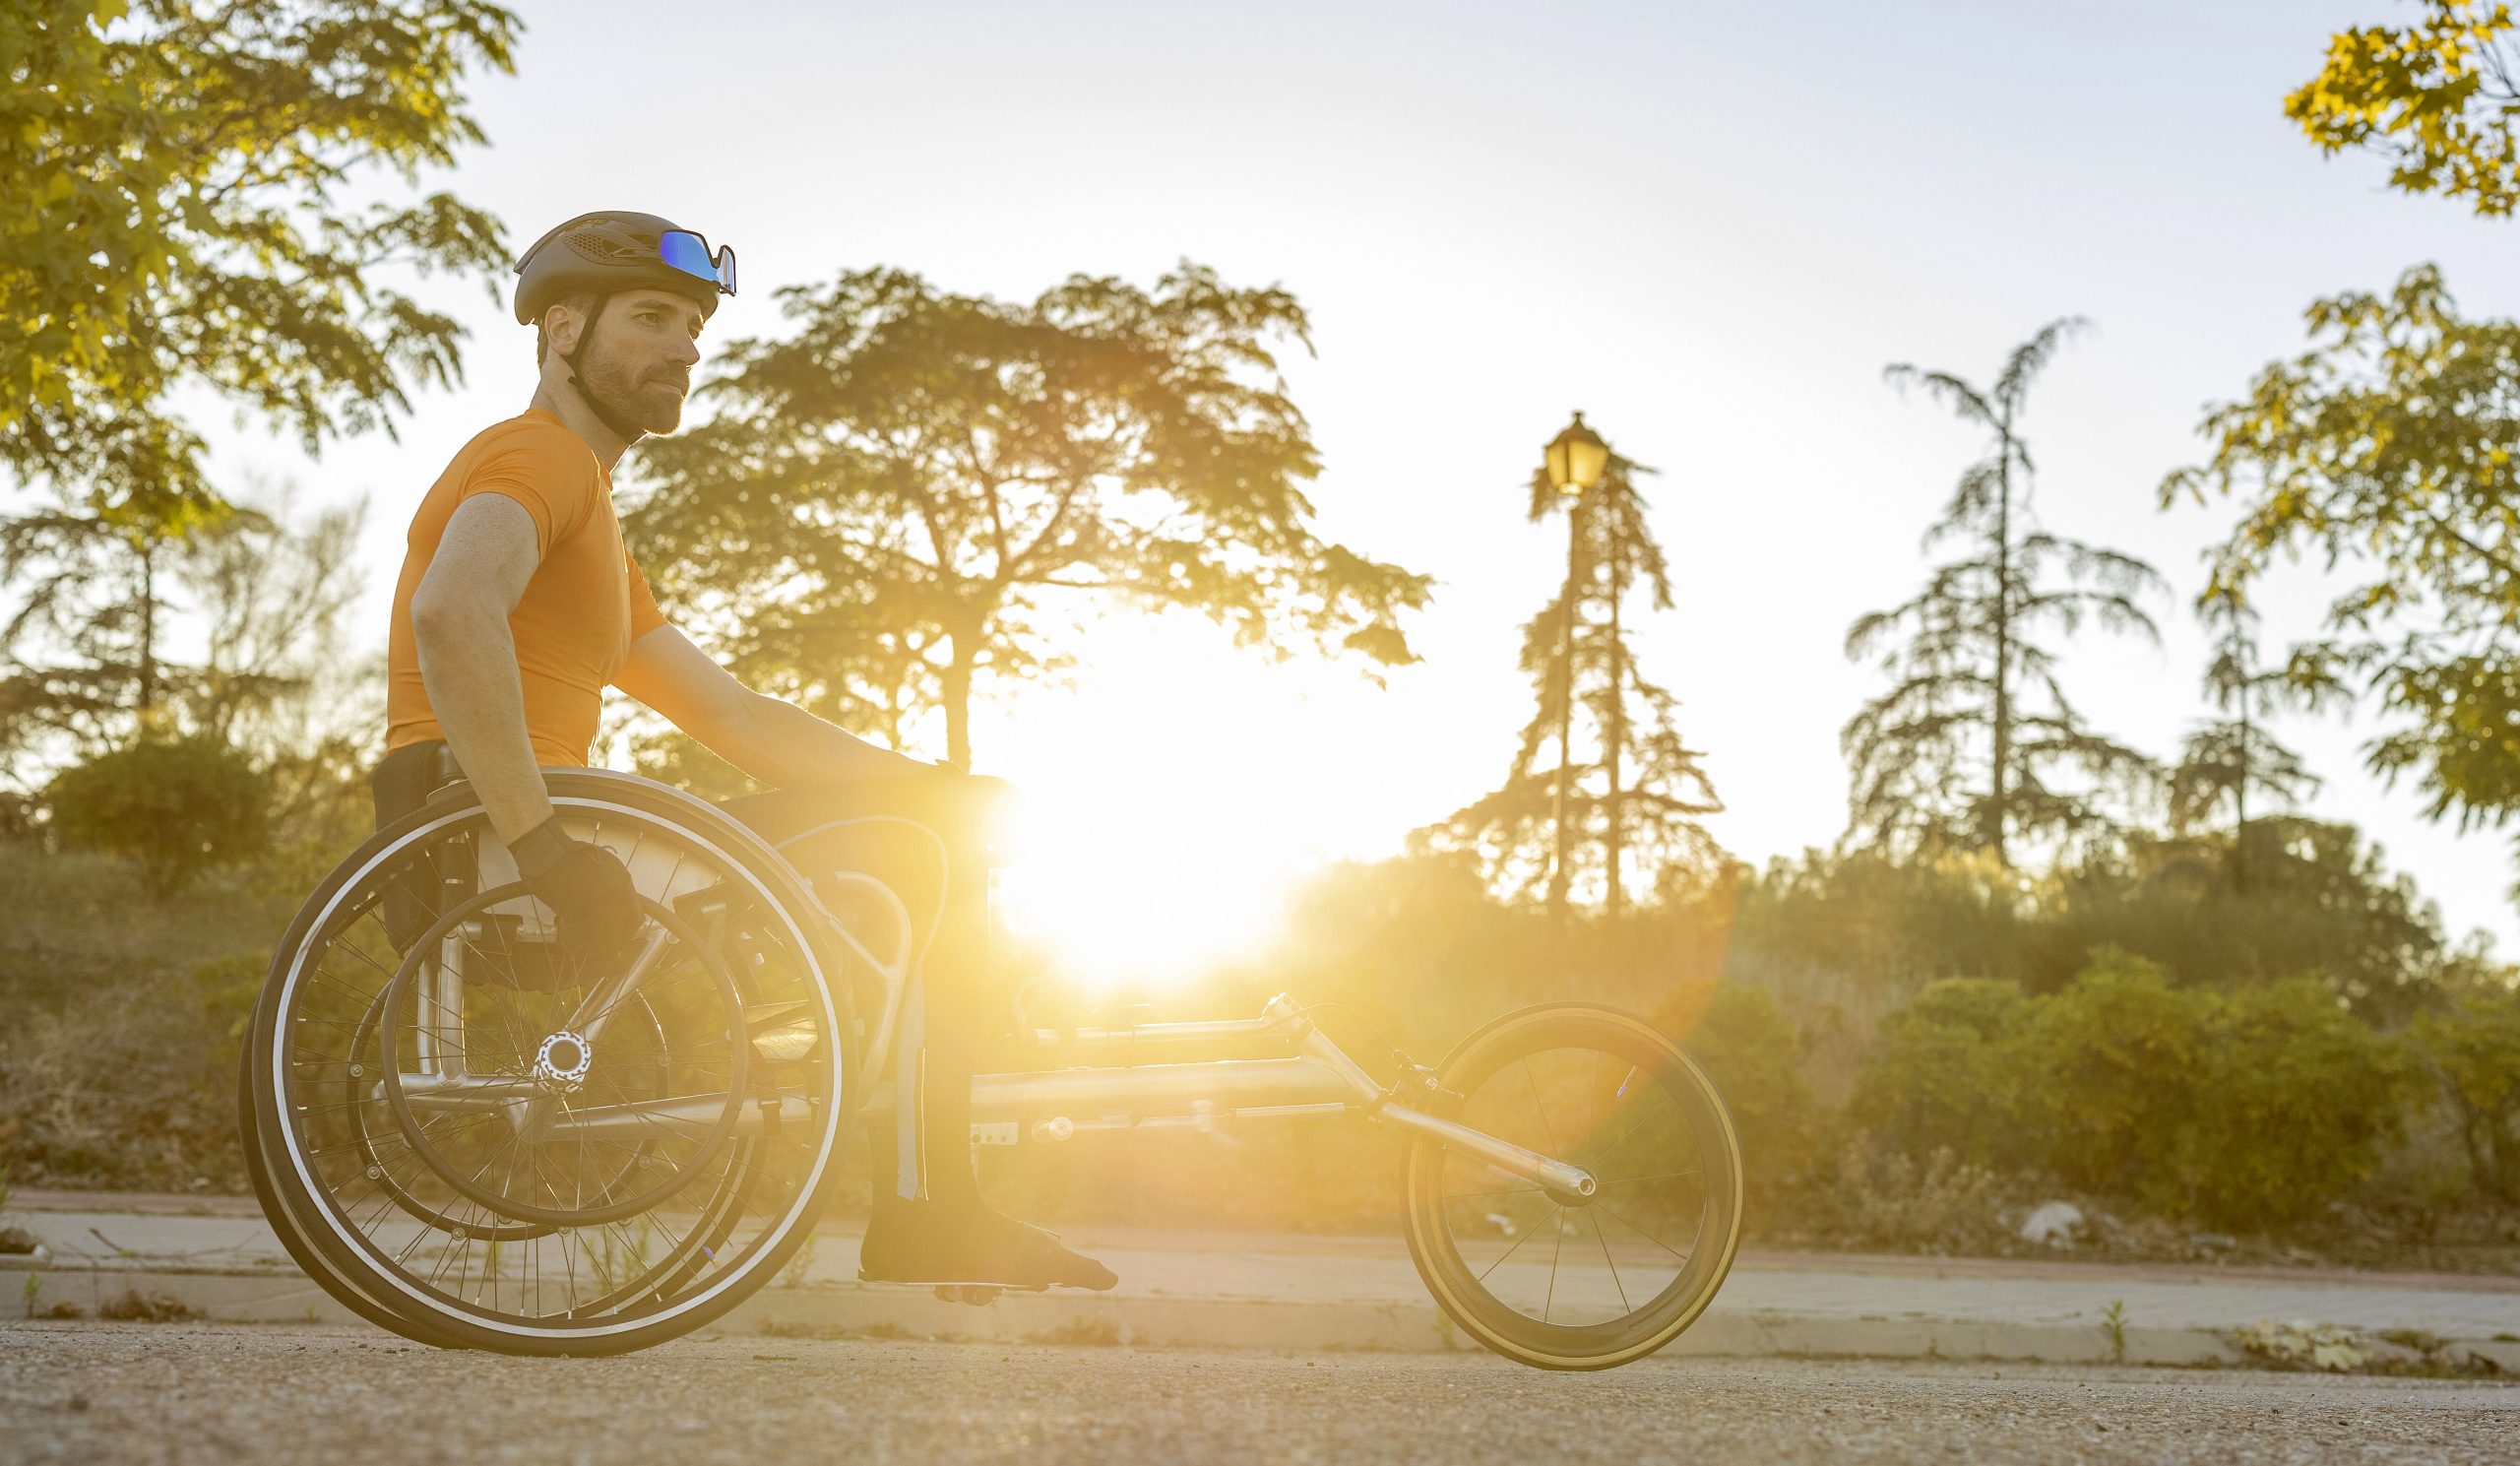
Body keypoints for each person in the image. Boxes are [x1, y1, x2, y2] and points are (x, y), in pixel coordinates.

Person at [371, 210, 1113, 1293]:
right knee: (921, 860)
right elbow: (451, 611)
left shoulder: (594, 528)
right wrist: (540, 842)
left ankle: (908, 1132)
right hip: (515, 841)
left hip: (499, 844)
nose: (685, 347)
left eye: (695, 327)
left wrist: (937, 783)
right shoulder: (538, 456)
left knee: (921, 826)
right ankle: (929, 1209)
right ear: (562, 328)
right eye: (655, 318)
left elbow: (741, 721)